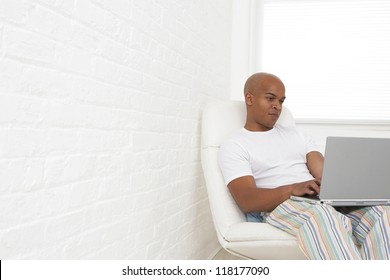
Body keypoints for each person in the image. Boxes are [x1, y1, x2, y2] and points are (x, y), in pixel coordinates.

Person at [218, 72, 390, 260]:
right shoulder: (235, 145)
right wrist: (292, 189)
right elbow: (247, 200)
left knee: (383, 214)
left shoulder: (298, 134)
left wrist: (353, 181)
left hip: (320, 199)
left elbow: (326, 175)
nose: (277, 106)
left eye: (281, 101)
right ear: (249, 98)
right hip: (282, 204)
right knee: (324, 217)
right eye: (270, 98)